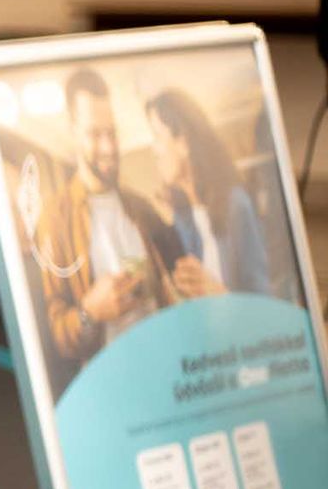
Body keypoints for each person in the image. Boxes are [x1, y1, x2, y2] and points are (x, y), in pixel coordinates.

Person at [34, 67, 209, 377]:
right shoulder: (54, 219)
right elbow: (56, 336)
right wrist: (89, 312)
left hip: (168, 371)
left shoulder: (140, 207)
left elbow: (185, 274)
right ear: (73, 131)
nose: (108, 148)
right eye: (94, 134)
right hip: (112, 384)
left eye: (112, 133)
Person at [145, 87, 273, 297]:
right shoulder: (182, 216)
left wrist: (218, 293)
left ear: (183, 143)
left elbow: (263, 300)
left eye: (157, 136)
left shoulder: (236, 205)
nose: (154, 149)